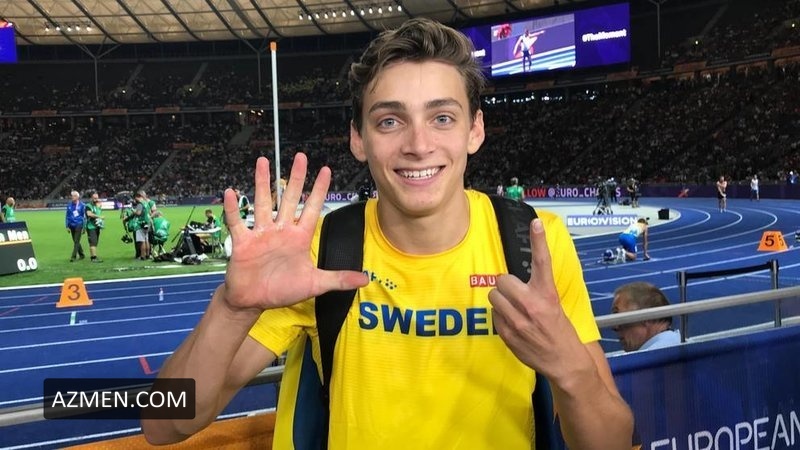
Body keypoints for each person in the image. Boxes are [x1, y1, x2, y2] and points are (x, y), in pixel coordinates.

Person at [142, 18, 632, 449]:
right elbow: (163, 425)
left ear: (475, 130)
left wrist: (569, 368)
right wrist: (233, 309)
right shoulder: (320, 252)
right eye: (390, 120)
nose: (418, 144)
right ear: (359, 138)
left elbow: (612, 441)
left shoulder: (534, 242)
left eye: (442, 117)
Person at [611, 282, 681, 352]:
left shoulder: (656, 354)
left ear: (646, 317)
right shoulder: (674, 340)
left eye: (618, 315)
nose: (615, 327)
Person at [65, 190, 86, 262]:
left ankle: (73, 256)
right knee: (75, 241)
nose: (72, 197)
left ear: (77, 197)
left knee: (76, 241)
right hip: (71, 225)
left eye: (74, 196)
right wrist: (67, 226)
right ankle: (82, 255)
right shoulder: (69, 205)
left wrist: (84, 227)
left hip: (79, 224)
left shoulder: (82, 205)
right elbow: (67, 216)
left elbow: (84, 217)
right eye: (72, 196)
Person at [84, 192, 105, 263]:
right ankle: (93, 258)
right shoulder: (88, 206)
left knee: (95, 242)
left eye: (97, 198)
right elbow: (89, 214)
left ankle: (94, 256)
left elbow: (98, 211)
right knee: (93, 242)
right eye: (94, 198)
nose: (96, 199)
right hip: (91, 227)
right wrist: (99, 217)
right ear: (91, 198)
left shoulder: (98, 206)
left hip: (97, 227)